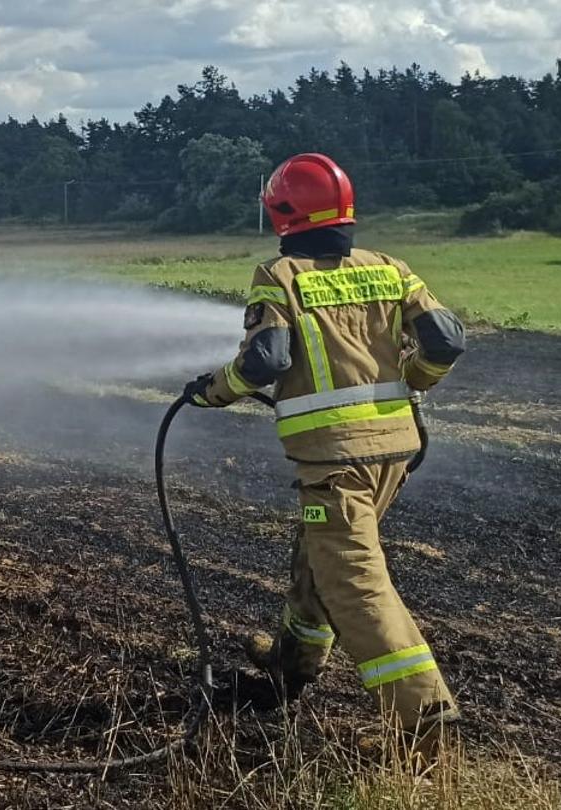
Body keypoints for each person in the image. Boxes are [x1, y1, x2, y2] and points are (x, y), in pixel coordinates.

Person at [181, 152, 468, 769]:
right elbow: (446, 338)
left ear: (283, 214)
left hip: (335, 458)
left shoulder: (279, 275)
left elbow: (264, 362)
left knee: (355, 580)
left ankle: (424, 721)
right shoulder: (389, 268)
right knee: (324, 552)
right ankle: (292, 663)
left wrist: (214, 390)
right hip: (394, 449)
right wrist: (413, 381)